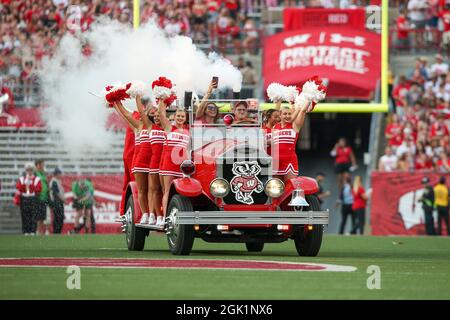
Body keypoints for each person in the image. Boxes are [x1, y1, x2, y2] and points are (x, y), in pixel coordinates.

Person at [112, 99, 154, 225]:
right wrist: (116, 102)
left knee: (153, 190)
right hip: (141, 163)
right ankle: (144, 214)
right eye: (151, 112)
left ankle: (153, 214)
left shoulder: (159, 127)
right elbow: (126, 115)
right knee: (141, 189)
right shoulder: (139, 126)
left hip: (153, 163)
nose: (153, 114)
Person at [159, 100, 190, 222]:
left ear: (185, 118)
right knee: (167, 190)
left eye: (182, 116)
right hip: (169, 164)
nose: (180, 118)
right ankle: (166, 217)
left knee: (181, 193)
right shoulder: (169, 127)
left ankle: (177, 217)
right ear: (174, 116)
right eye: (178, 116)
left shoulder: (188, 131)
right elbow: (161, 114)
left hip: (182, 166)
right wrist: (162, 98)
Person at [271, 102, 309, 183]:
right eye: (285, 114)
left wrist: (307, 97)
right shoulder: (275, 127)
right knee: (276, 189)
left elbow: (303, 111)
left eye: (289, 114)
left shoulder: (294, 126)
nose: (287, 116)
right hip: (276, 162)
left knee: (290, 186)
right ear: (280, 115)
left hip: (289, 162)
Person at [16, 162, 42, 235]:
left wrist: (31, 184)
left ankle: (32, 231)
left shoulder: (37, 179)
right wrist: (25, 182)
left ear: (33, 170)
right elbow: (19, 188)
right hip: (24, 198)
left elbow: (38, 189)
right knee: (25, 215)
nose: (29, 171)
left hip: (33, 198)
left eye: (31, 170)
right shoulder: (22, 179)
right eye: (28, 170)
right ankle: (25, 231)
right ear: (26, 170)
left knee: (33, 215)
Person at [34, 159, 50, 235]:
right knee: (39, 216)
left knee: (43, 216)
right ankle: (38, 231)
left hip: (45, 197)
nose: (44, 166)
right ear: (38, 165)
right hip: (38, 197)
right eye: (43, 164)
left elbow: (46, 184)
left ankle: (42, 232)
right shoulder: (35, 173)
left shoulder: (43, 174)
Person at [49, 167, 65, 234]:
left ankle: (58, 232)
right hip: (56, 202)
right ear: (57, 174)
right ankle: (56, 232)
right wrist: (63, 200)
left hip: (59, 202)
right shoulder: (54, 181)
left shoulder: (57, 181)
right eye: (60, 173)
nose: (61, 175)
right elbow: (56, 193)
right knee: (58, 218)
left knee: (59, 218)